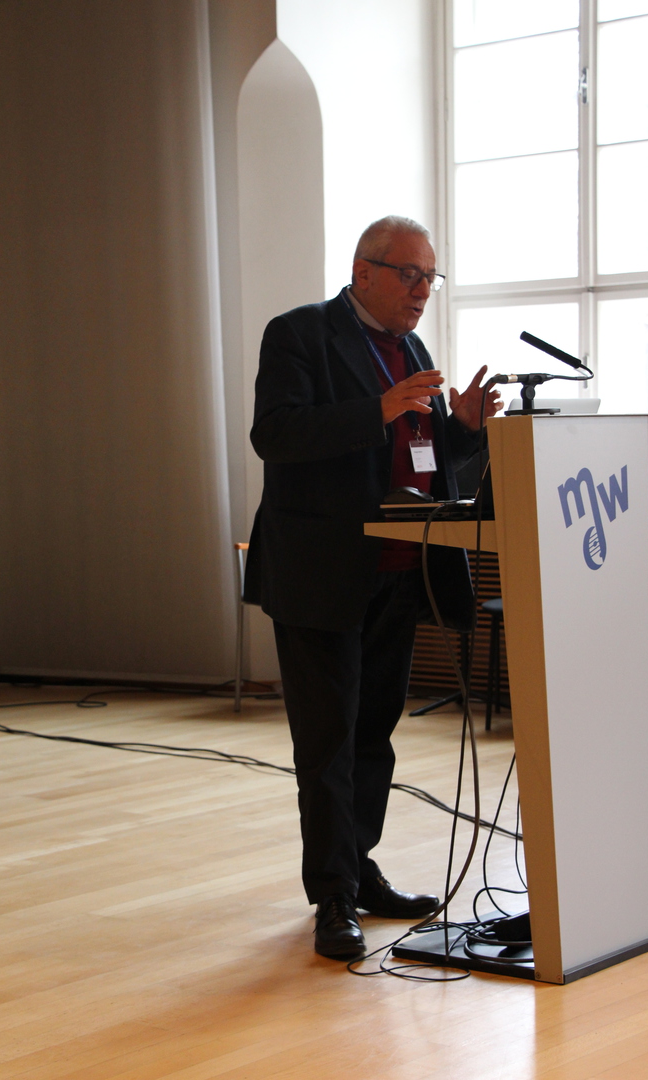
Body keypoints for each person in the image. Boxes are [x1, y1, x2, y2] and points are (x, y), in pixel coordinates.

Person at [246, 216, 502, 959]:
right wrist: (378, 408)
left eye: (430, 278)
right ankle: (332, 896)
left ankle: (359, 870)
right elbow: (275, 435)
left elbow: (418, 459)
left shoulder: (412, 350)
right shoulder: (299, 334)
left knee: (372, 737)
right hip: (321, 572)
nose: (422, 290)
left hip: (398, 571)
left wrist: (463, 429)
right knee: (327, 742)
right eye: (409, 274)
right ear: (364, 271)